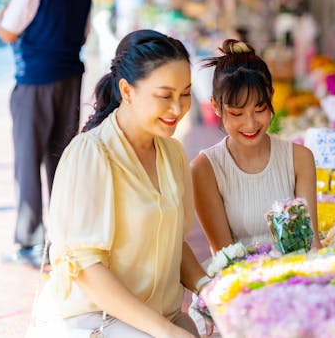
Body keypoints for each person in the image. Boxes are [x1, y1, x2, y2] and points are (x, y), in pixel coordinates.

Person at [33, 30, 209, 337]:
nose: (178, 108)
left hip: (156, 319)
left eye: (185, 94)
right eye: (165, 95)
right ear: (127, 90)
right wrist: (165, 332)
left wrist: (211, 290)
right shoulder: (91, 154)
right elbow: (87, 269)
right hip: (95, 320)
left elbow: (174, 245)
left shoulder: (174, 153)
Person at [0, 0, 92, 268]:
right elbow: (84, 33)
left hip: (36, 81)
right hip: (71, 79)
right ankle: (64, 239)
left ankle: (29, 241)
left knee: (28, 159)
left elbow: (8, 31)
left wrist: (0, 18)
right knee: (61, 161)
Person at [191, 39, 322, 253]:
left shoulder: (300, 159)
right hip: (241, 281)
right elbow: (225, 255)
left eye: (260, 109)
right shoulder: (205, 169)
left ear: (271, 97)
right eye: (237, 113)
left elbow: (312, 243)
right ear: (215, 106)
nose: (250, 124)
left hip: (298, 277)